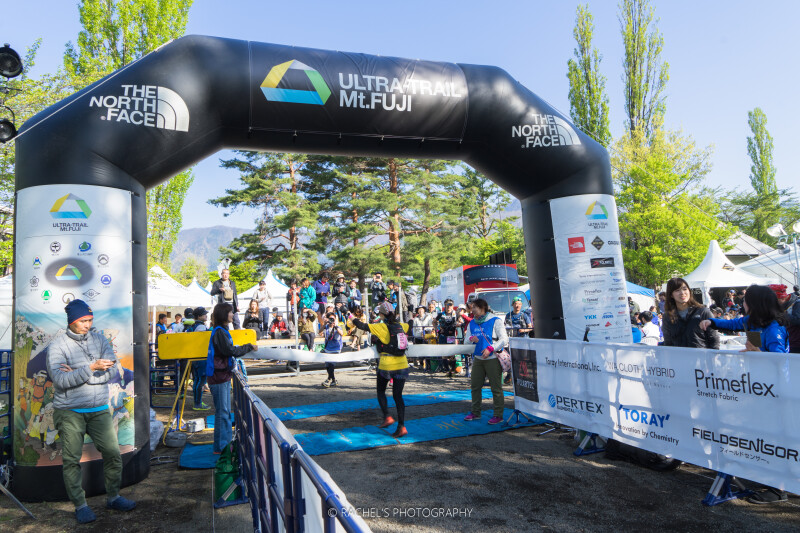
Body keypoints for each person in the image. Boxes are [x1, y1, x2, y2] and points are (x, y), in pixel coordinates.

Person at [46, 299, 136, 524]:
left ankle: (113, 497)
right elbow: (60, 380)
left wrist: (79, 373)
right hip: (70, 411)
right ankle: (80, 505)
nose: (87, 324)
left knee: (113, 453)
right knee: (71, 460)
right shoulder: (57, 346)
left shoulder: (100, 340)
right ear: (72, 321)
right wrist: (92, 368)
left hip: (99, 410)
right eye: (83, 321)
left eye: (90, 320)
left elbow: (112, 371)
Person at [699, 284, 789, 504]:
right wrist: (712, 322)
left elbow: (779, 360)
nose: (742, 303)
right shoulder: (752, 321)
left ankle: (779, 489)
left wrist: (758, 352)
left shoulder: (774, 328)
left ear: (756, 303)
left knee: (775, 439)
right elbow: (732, 324)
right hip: (759, 389)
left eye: (746, 300)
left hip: (775, 393)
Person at [350, 301, 411, 438]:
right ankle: (401, 426)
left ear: (382, 314)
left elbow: (360, 325)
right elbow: (410, 325)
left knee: (381, 391)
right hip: (402, 365)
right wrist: (411, 313)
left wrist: (348, 314)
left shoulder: (380, 327)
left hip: (386, 366)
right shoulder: (402, 326)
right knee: (398, 396)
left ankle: (387, 417)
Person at [205, 303, 257, 454]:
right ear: (223, 314)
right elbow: (230, 350)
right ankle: (224, 448)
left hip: (220, 375)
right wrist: (248, 346)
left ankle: (221, 446)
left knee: (223, 412)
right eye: (230, 312)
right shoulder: (220, 332)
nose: (232, 315)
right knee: (223, 412)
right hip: (219, 377)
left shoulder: (220, 331)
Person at [464, 299, 509, 425]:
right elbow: (466, 341)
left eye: (474, 307)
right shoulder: (472, 323)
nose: (472, 310)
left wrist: (491, 348)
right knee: (475, 386)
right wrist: (471, 339)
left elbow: (504, 339)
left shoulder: (495, 320)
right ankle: (475, 412)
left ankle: (498, 415)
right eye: (472, 307)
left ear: (482, 307)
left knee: (496, 388)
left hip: (493, 359)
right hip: (478, 359)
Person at [661, 277, 719, 349]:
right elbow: (668, 344)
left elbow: (714, 341)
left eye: (685, 289)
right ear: (671, 295)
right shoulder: (668, 317)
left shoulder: (703, 312)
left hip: (701, 355)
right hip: (678, 356)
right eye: (677, 290)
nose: (682, 293)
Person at [190, 307, 211, 410]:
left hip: (195, 357)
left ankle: (197, 402)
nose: (206, 315)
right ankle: (198, 403)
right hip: (201, 357)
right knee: (201, 380)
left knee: (197, 380)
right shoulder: (201, 327)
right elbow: (202, 342)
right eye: (204, 314)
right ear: (199, 316)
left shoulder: (194, 326)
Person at [435, 299, 459, 376]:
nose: (449, 307)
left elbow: (461, 322)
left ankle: (452, 370)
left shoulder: (455, 314)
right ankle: (447, 370)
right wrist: (438, 330)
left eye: (450, 305)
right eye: (447, 305)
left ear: (453, 306)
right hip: (442, 335)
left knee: (452, 353)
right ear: (444, 305)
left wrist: (458, 325)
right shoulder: (441, 314)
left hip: (451, 336)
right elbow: (434, 322)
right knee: (444, 353)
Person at [321, 312, 344, 388]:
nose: (331, 320)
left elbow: (341, 333)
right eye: (330, 319)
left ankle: (328, 379)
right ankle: (333, 380)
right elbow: (319, 332)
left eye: (333, 319)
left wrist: (336, 326)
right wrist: (324, 324)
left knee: (331, 365)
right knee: (327, 366)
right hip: (328, 348)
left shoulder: (338, 327)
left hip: (336, 349)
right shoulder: (326, 327)